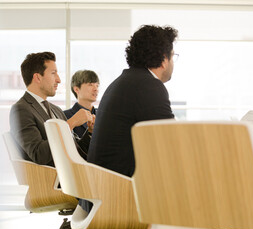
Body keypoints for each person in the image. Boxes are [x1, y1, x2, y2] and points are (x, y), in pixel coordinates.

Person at [88, 25, 178, 177]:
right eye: (173, 56)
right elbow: (172, 141)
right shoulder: (149, 86)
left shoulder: (125, 82)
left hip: (102, 184)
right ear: (164, 59)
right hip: (119, 188)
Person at [10, 51, 94, 166]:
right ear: (38, 78)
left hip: (75, 171)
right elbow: (39, 154)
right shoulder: (20, 110)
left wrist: (90, 132)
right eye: (53, 73)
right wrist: (71, 123)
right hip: (55, 179)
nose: (58, 80)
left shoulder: (56, 110)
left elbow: (77, 150)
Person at [64, 70, 99, 138]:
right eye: (90, 84)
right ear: (76, 89)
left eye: (97, 85)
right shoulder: (64, 116)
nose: (96, 89)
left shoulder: (102, 115)